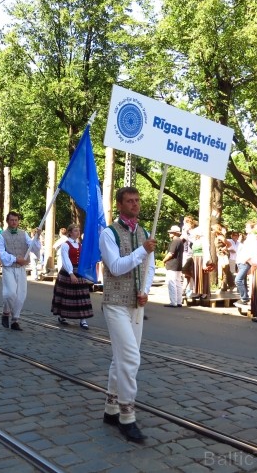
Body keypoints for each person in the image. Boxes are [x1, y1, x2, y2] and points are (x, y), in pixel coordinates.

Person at [99, 187, 156, 443]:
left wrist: (145, 290)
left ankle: (111, 408)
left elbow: (150, 266)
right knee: (131, 357)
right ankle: (127, 416)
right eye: (130, 201)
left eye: (137, 200)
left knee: (120, 357)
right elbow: (116, 266)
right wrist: (142, 250)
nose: (135, 204)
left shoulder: (144, 232)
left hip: (136, 303)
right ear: (119, 204)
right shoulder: (108, 233)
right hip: (115, 303)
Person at [0, 211, 41, 331]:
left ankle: (15, 319)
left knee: (21, 295)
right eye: (11, 220)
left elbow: (34, 247)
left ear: (18, 221)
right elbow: (1, 252)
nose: (14, 222)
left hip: (20, 269)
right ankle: (6, 312)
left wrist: (37, 237)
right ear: (7, 221)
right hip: (9, 267)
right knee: (10, 293)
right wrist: (16, 259)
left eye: (16, 220)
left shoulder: (23, 234)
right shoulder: (2, 236)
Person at [51, 224, 93, 328]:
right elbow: (66, 260)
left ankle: (83, 320)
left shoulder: (80, 245)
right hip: (68, 272)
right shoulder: (66, 245)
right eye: (75, 230)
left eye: (78, 230)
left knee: (82, 296)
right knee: (65, 295)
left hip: (79, 271)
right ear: (70, 232)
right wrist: (71, 273)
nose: (78, 232)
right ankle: (62, 315)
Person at [234, 220, 257, 305]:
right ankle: (245, 298)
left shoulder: (253, 237)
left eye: (247, 227)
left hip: (245, 262)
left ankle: (244, 298)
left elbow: (252, 250)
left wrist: (246, 259)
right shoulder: (249, 236)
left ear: (252, 228)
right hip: (241, 261)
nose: (245, 229)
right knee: (242, 281)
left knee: (238, 280)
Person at [161, 225, 184, 307]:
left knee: (171, 283)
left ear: (174, 233)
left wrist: (164, 260)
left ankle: (173, 302)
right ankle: (179, 301)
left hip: (172, 264)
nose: (169, 233)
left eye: (171, 232)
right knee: (178, 283)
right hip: (178, 264)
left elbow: (171, 253)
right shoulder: (180, 241)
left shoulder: (175, 241)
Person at [212, 223, 234, 292]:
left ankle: (224, 286)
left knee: (224, 270)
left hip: (223, 255)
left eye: (213, 229)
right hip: (220, 255)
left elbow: (229, 244)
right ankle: (231, 285)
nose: (212, 231)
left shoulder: (220, 237)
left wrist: (224, 248)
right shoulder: (217, 236)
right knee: (225, 270)